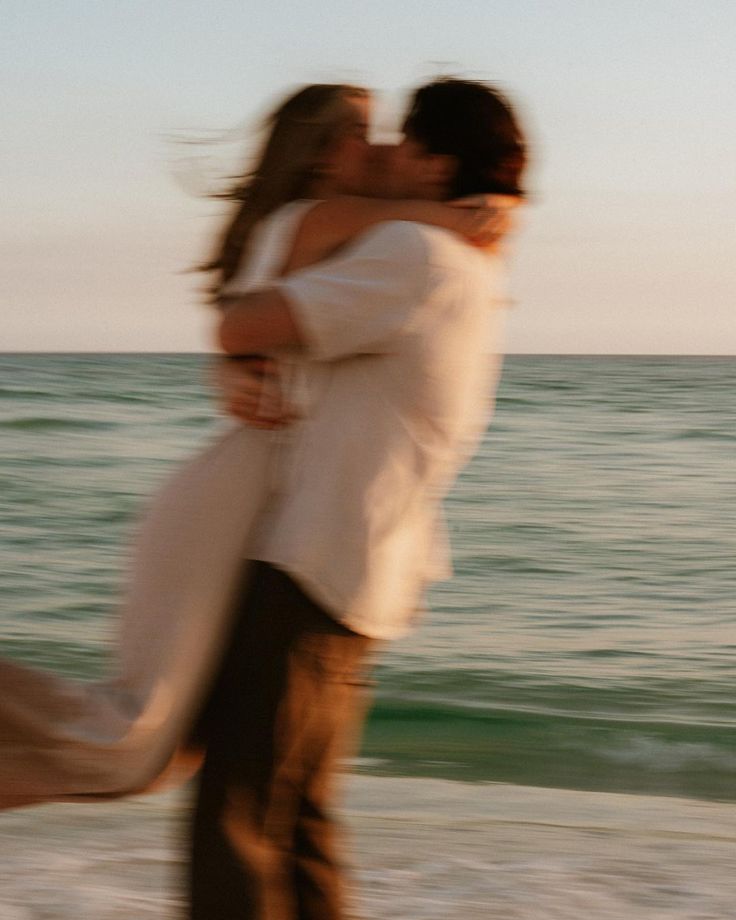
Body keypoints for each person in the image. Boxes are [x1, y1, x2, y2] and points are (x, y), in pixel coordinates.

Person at [0, 82, 508, 811]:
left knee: (147, 755)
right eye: (365, 132)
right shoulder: (324, 215)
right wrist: (461, 209)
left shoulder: (337, 233)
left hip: (246, 487)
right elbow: (248, 322)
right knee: (124, 743)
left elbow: (261, 326)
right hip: (233, 489)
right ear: (327, 154)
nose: (387, 147)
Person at [194, 77, 527, 920]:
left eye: (401, 140)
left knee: (237, 814)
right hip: (367, 563)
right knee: (298, 816)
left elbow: (244, 323)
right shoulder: (451, 256)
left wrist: (235, 351)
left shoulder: (413, 255)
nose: (384, 153)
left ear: (434, 162)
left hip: (316, 557)